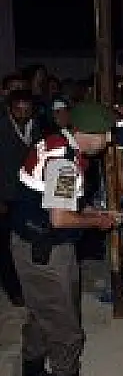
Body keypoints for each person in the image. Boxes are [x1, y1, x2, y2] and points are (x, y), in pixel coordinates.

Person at [9, 102, 121, 376]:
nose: (108, 140)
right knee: (66, 330)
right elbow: (59, 218)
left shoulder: (57, 142)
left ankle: (32, 367)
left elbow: (55, 201)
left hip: (35, 244)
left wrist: (91, 211)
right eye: (105, 134)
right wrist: (99, 221)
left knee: (42, 312)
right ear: (87, 133)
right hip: (45, 251)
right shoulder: (64, 163)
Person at [0, 90, 41, 307]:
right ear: (10, 109)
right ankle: (13, 289)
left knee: (27, 242)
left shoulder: (37, 128)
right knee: (5, 247)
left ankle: (29, 285)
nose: (23, 114)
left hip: (29, 196)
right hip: (5, 197)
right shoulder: (3, 129)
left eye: (27, 110)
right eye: (18, 110)